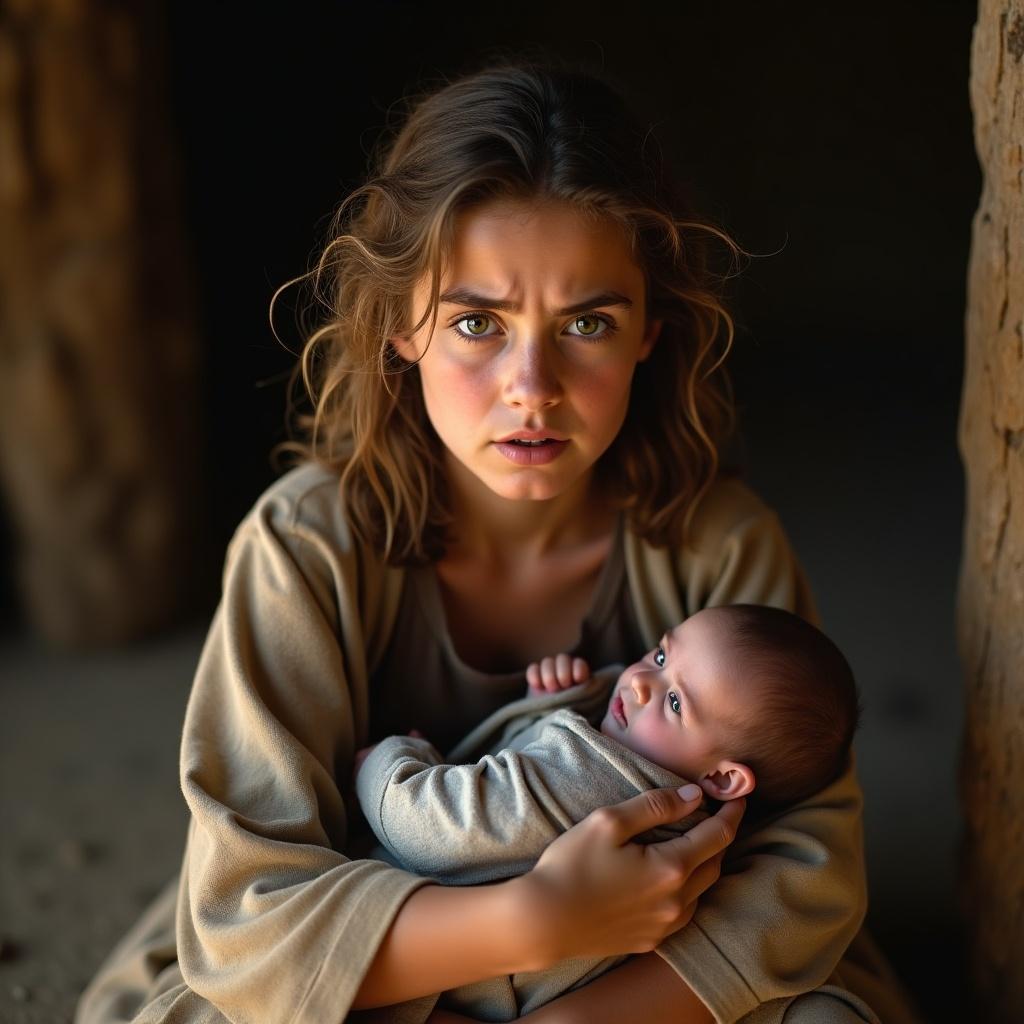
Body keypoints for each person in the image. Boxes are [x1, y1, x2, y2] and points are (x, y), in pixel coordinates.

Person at [76, 61, 919, 1024]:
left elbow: (806, 878)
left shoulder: (717, 549)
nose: (534, 385)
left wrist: (570, 1015)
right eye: (477, 322)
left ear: (649, 329)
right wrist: (533, 921)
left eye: (588, 322)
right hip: (385, 972)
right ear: (400, 322)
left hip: (631, 990)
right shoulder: (305, 549)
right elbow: (244, 918)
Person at [352, 605, 868, 1022]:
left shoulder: (589, 775)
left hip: (461, 981)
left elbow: (435, 826)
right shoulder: (696, 818)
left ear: (723, 778)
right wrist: (547, 705)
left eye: (674, 704)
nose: (641, 681)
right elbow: (522, 793)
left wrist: (387, 760)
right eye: (663, 656)